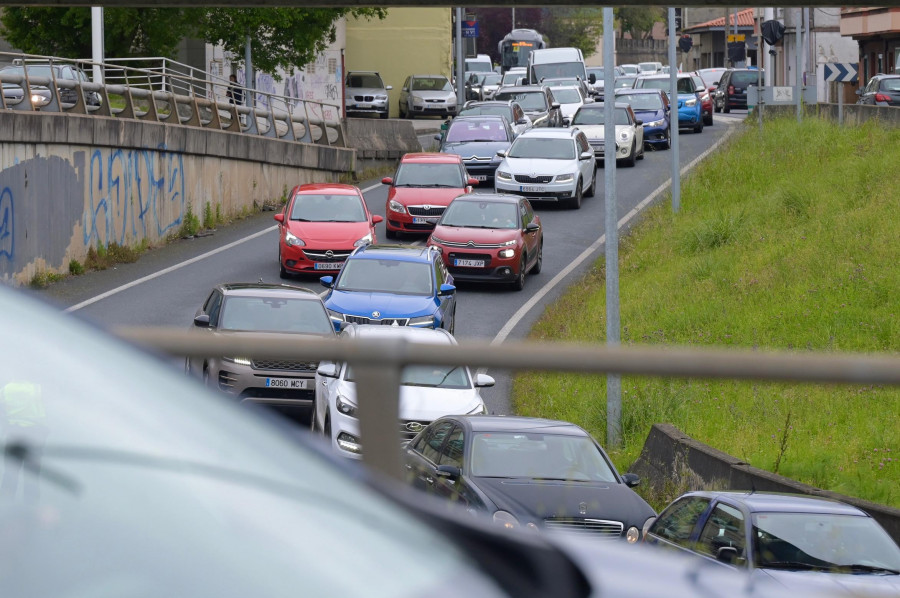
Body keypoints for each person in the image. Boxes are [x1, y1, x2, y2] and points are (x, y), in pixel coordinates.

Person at [0, 380, 48, 503]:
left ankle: (7, 498)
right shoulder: (37, 388)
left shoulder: (7, 389)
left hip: (15, 433)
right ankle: (30, 502)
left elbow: (3, 412)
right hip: (36, 434)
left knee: (11, 470)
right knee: (32, 472)